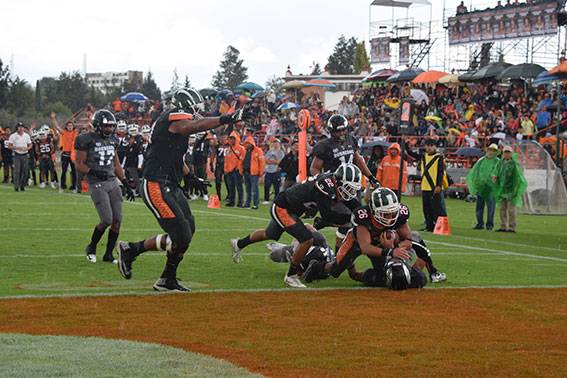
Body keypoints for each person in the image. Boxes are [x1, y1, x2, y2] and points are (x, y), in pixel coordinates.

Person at [115, 87, 250, 292]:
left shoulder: (177, 126)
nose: (199, 113)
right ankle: (132, 249)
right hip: (155, 184)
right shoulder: (173, 118)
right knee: (181, 234)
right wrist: (226, 118)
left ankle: (166, 279)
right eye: (196, 109)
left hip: (170, 184)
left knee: (188, 229)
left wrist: (191, 177)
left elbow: (177, 156)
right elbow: (191, 126)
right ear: (186, 108)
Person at [229, 163, 363, 288]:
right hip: (283, 208)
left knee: (270, 234)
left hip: (291, 209)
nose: (350, 190)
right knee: (307, 239)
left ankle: (239, 243)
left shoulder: (335, 184)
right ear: (339, 182)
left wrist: (364, 214)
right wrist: (350, 219)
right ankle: (291, 275)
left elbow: (353, 204)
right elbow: (327, 215)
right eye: (348, 187)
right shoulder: (325, 186)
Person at [303, 187, 446, 286]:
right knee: (335, 270)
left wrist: (395, 247)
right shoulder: (363, 216)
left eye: (392, 212)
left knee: (381, 271)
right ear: (374, 211)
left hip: (381, 245)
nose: (390, 217)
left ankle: (413, 272)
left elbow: (408, 240)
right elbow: (365, 248)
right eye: (385, 214)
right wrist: (390, 250)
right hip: (357, 243)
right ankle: (316, 267)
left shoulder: (400, 214)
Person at [74, 110, 135, 264]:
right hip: (96, 182)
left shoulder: (113, 139)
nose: (109, 129)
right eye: (106, 126)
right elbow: (79, 165)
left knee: (117, 219)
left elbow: (116, 164)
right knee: (107, 219)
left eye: (111, 126)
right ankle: (92, 247)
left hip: (113, 181)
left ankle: (108, 254)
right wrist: (93, 172)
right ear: (97, 126)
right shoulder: (85, 139)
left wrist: (126, 183)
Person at [310, 114, 378, 187]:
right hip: (334, 184)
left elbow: (358, 161)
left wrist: (370, 177)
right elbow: (314, 168)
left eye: (343, 130)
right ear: (332, 131)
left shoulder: (351, 140)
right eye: (338, 131)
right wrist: (324, 182)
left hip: (352, 182)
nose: (342, 133)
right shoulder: (324, 146)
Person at [410, 138, 447, 232]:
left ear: (435, 146)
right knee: (426, 208)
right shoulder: (424, 156)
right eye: (427, 145)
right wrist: (406, 143)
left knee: (436, 208)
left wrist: (438, 185)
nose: (429, 147)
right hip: (425, 186)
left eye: (431, 145)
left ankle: (439, 227)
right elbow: (412, 155)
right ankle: (429, 225)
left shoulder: (439, 157)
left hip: (434, 187)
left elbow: (440, 172)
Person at [492, 145, 528, 233]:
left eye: (508, 152)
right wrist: (495, 177)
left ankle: (512, 227)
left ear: (511, 153)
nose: (507, 154)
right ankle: (503, 226)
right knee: (502, 209)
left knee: (511, 210)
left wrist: (515, 188)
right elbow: (496, 173)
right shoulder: (500, 163)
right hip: (502, 189)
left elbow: (518, 176)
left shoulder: (514, 164)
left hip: (511, 189)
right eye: (505, 152)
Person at [466, 143, 500, 230]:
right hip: (481, 187)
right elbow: (475, 172)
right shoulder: (480, 161)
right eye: (490, 150)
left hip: (491, 188)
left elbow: (498, 173)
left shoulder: (497, 162)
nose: (491, 152)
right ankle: (480, 223)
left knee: (491, 208)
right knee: (479, 206)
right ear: (487, 151)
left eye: (493, 151)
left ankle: (489, 225)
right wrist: (476, 184)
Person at [51, 112, 78, 192]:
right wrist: (53, 118)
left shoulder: (76, 133)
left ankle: (74, 187)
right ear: (66, 127)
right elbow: (56, 127)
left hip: (73, 155)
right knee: (64, 171)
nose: (70, 127)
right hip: (65, 154)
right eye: (68, 126)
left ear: (73, 127)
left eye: (71, 126)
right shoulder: (64, 133)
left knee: (74, 172)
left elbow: (85, 127)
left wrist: (90, 120)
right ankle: (62, 186)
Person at [8, 122, 32, 192]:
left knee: (25, 171)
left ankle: (22, 184)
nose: (21, 128)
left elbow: (30, 145)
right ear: (17, 128)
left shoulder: (26, 136)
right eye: (19, 127)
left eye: (22, 127)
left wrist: (27, 148)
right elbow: (9, 146)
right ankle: (16, 186)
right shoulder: (13, 136)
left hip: (24, 154)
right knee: (17, 171)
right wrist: (16, 147)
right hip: (17, 154)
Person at [242, 135, 265, 209]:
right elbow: (241, 161)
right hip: (246, 172)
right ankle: (247, 203)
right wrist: (241, 170)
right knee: (248, 189)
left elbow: (261, 162)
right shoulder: (245, 151)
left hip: (254, 173)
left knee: (255, 189)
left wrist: (260, 172)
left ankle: (255, 204)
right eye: (246, 143)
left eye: (248, 143)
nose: (247, 145)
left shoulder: (258, 151)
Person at [225, 131, 245, 207]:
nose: (232, 140)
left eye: (234, 139)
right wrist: (226, 169)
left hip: (237, 170)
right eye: (231, 139)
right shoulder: (228, 149)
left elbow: (242, 159)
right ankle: (231, 201)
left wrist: (239, 168)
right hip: (230, 170)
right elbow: (226, 160)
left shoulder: (241, 148)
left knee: (239, 187)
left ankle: (240, 202)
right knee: (231, 187)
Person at [263, 139, 284, 204]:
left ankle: (276, 199)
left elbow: (279, 161)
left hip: (276, 171)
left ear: (279, 144)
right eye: (274, 143)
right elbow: (265, 160)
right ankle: (266, 199)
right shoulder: (269, 151)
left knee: (276, 186)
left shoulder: (281, 152)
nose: (275, 144)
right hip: (269, 170)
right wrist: (274, 162)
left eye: (277, 143)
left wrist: (270, 161)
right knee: (267, 185)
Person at [210, 132, 230, 199]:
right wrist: (211, 163)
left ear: (227, 137)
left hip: (227, 165)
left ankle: (229, 195)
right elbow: (213, 153)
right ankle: (218, 194)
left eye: (224, 137)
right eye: (222, 137)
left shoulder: (229, 145)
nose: (223, 139)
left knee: (227, 181)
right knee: (218, 180)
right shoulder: (218, 145)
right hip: (219, 164)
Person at [192, 131, 211, 201]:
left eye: (201, 135)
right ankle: (196, 193)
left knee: (203, 178)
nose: (200, 136)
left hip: (203, 162)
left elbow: (214, 143)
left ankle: (205, 193)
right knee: (196, 178)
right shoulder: (196, 142)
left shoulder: (206, 142)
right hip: (196, 162)